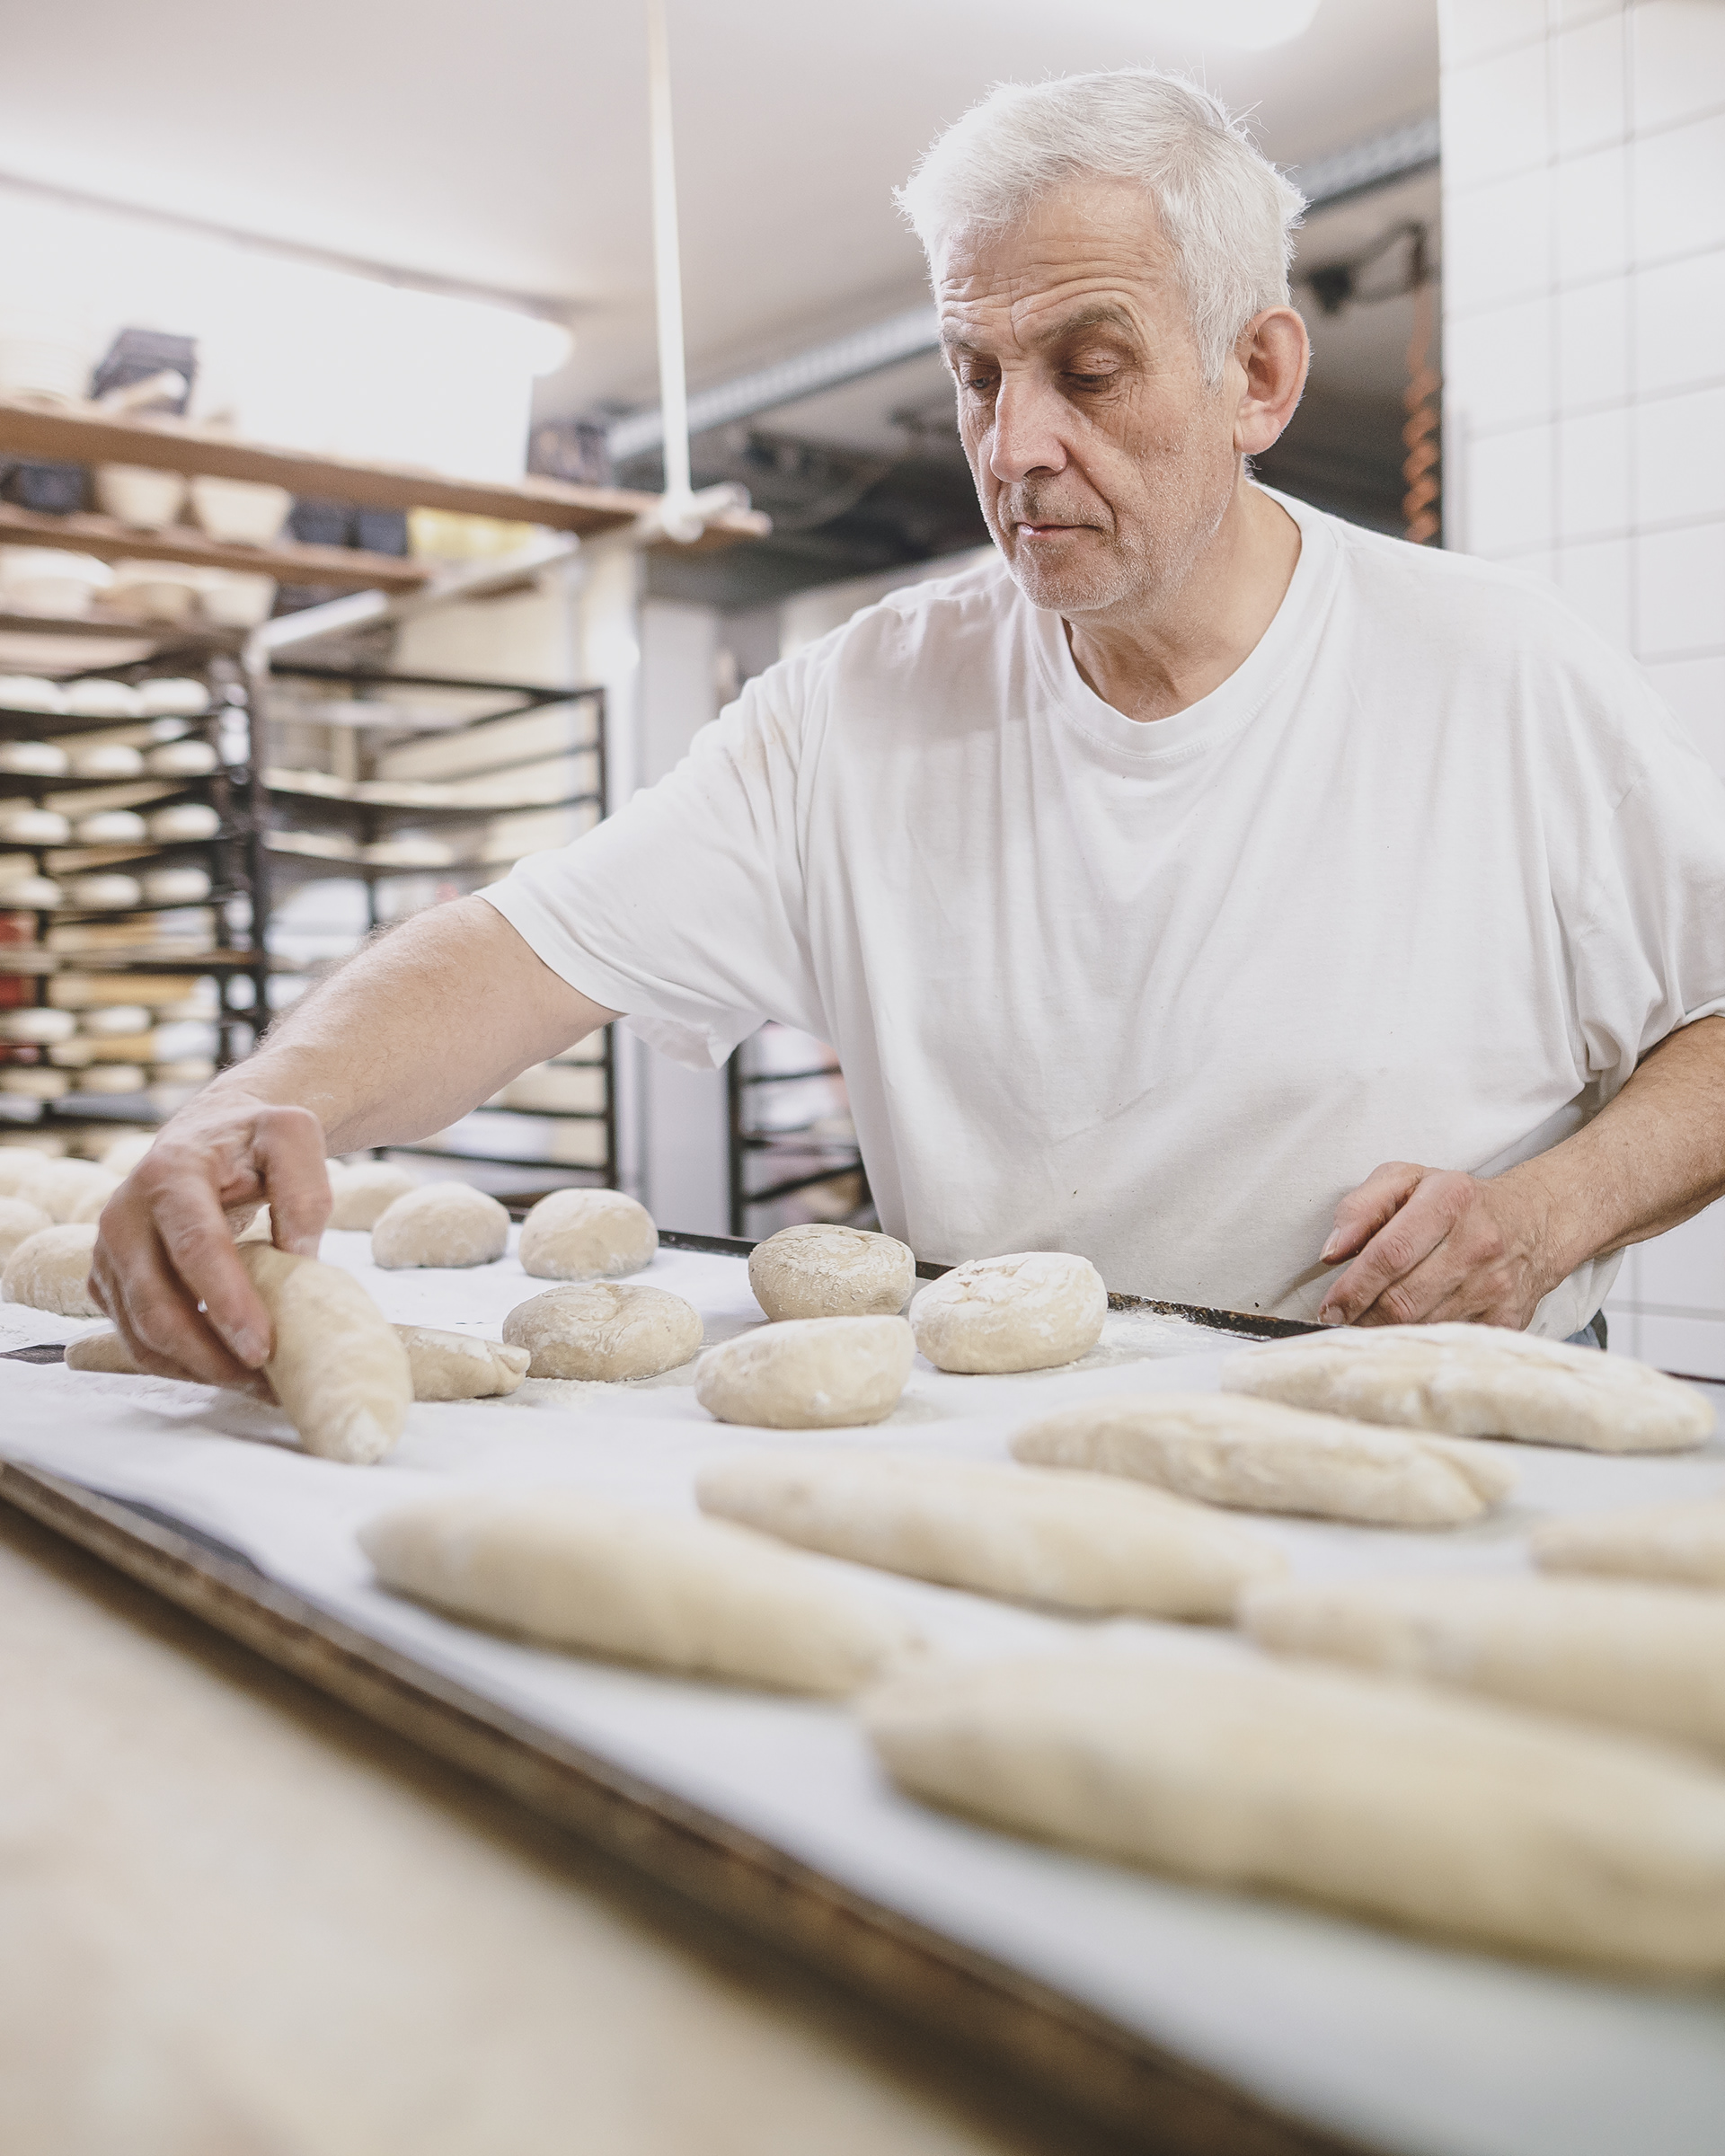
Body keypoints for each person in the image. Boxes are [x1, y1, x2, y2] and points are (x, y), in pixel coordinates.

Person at [93, 67, 1725, 1389]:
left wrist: (1544, 1217)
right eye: (975, 373)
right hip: (1012, 1458)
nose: (1014, 447)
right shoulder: (859, 708)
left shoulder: (1494, 674)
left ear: (1259, 375)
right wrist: (245, 1106)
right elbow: (515, 953)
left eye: (1091, 368)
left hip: (1451, 1444)